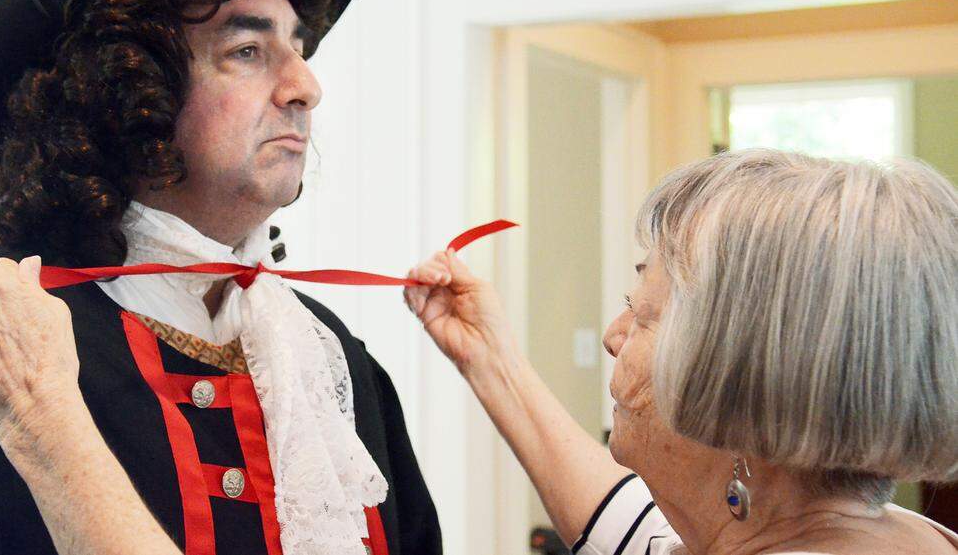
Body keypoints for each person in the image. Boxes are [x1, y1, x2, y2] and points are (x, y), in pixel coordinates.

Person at [0, 0, 441, 554]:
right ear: (125, 90)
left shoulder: (335, 363)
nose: (306, 88)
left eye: (299, 49)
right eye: (247, 51)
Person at [405, 149, 958, 554]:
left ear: (742, 370)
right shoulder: (876, 531)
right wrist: (491, 360)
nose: (613, 336)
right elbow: (631, 530)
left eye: (644, 316)